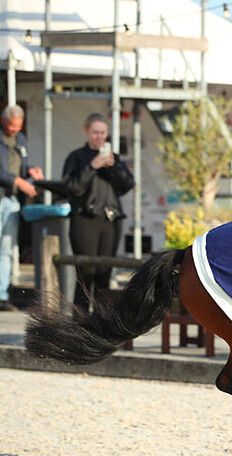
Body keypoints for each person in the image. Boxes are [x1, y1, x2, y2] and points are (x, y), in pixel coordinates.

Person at [61, 112, 133, 313]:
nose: (99, 137)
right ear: (86, 131)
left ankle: (101, 323)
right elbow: (71, 188)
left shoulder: (113, 158)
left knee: (104, 273)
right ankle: (80, 324)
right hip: (85, 219)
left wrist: (114, 168)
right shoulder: (76, 157)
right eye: (95, 132)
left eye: (103, 133)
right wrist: (91, 167)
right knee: (86, 273)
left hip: (110, 219)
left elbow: (127, 185)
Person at [0, 105, 44, 311]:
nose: (14, 129)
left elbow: (21, 165)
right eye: (11, 125)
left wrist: (31, 171)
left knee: (7, 249)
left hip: (12, 200)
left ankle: (1, 294)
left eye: (18, 126)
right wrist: (18, 180)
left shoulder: (21, 140)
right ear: (3, 120)